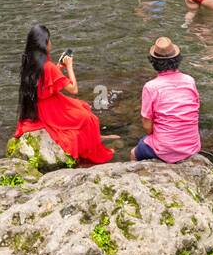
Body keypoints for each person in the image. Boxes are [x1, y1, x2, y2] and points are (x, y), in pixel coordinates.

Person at [15, 25, 113, 165]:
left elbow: (44, 81)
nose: (51, 43)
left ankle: (96, 137)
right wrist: (69, 66)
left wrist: (58, 68)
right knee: (87, 117)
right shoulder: (48, 66)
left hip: (39, 106)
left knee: (82, 107)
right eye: (49, 40)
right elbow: (74, 90)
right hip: (50, 109)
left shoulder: (29, 60)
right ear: (44, 44)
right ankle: (92, 143)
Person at [130, 38, 201, 163]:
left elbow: (147, 126)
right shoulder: (190, 80)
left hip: (165, 150)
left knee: (134, 152)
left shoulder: (151, 87)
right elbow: (194, 109)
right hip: (192, 147)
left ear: (154, 62)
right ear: (178, 59)